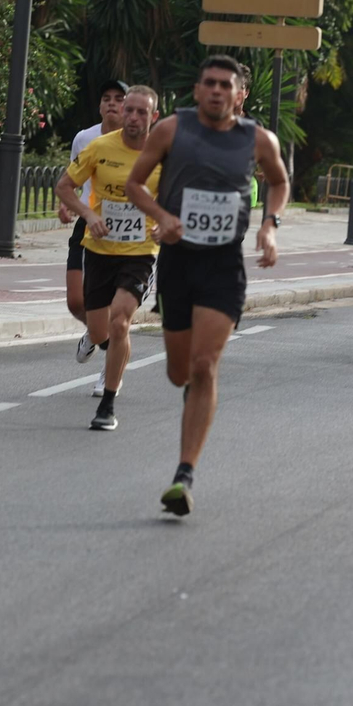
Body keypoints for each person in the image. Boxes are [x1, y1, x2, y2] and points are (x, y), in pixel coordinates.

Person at [126, 55, 289, 517]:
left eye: (226, 85)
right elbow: (136, 184)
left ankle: (184, 474)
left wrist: (270, 226)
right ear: (197, 91)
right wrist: (161, 218)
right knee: (179, 372)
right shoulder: (172, 130)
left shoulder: (258, 139)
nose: (217, 91)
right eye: (209, 83)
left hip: (223, 265)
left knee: (204, 364)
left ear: (240, 95)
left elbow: (278, 181)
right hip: (178, 260)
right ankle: (191, 390)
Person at [55, 85, 162, 431]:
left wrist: (164, 223)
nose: (132, 117)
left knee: (120, 323)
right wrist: (88, 214)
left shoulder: (165, 156)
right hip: (99, 248)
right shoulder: (99, 148)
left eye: (140, 112)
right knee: (101, 329)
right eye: (128, 110)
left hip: (140, 252)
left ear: (153, 117)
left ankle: (107, 403)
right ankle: (101, 345)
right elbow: (64, 187)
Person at [64, 80, 129, 394]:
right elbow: (74, 179)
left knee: (116, 314)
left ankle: (109, 373)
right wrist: (66, 206)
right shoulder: (85, 138)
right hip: (87, 225)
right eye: (107, 98)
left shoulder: (140, 143)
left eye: (120, 98)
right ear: (100, 105)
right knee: (77, 302)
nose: (112, 104)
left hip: (127, 232)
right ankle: (94, 333)